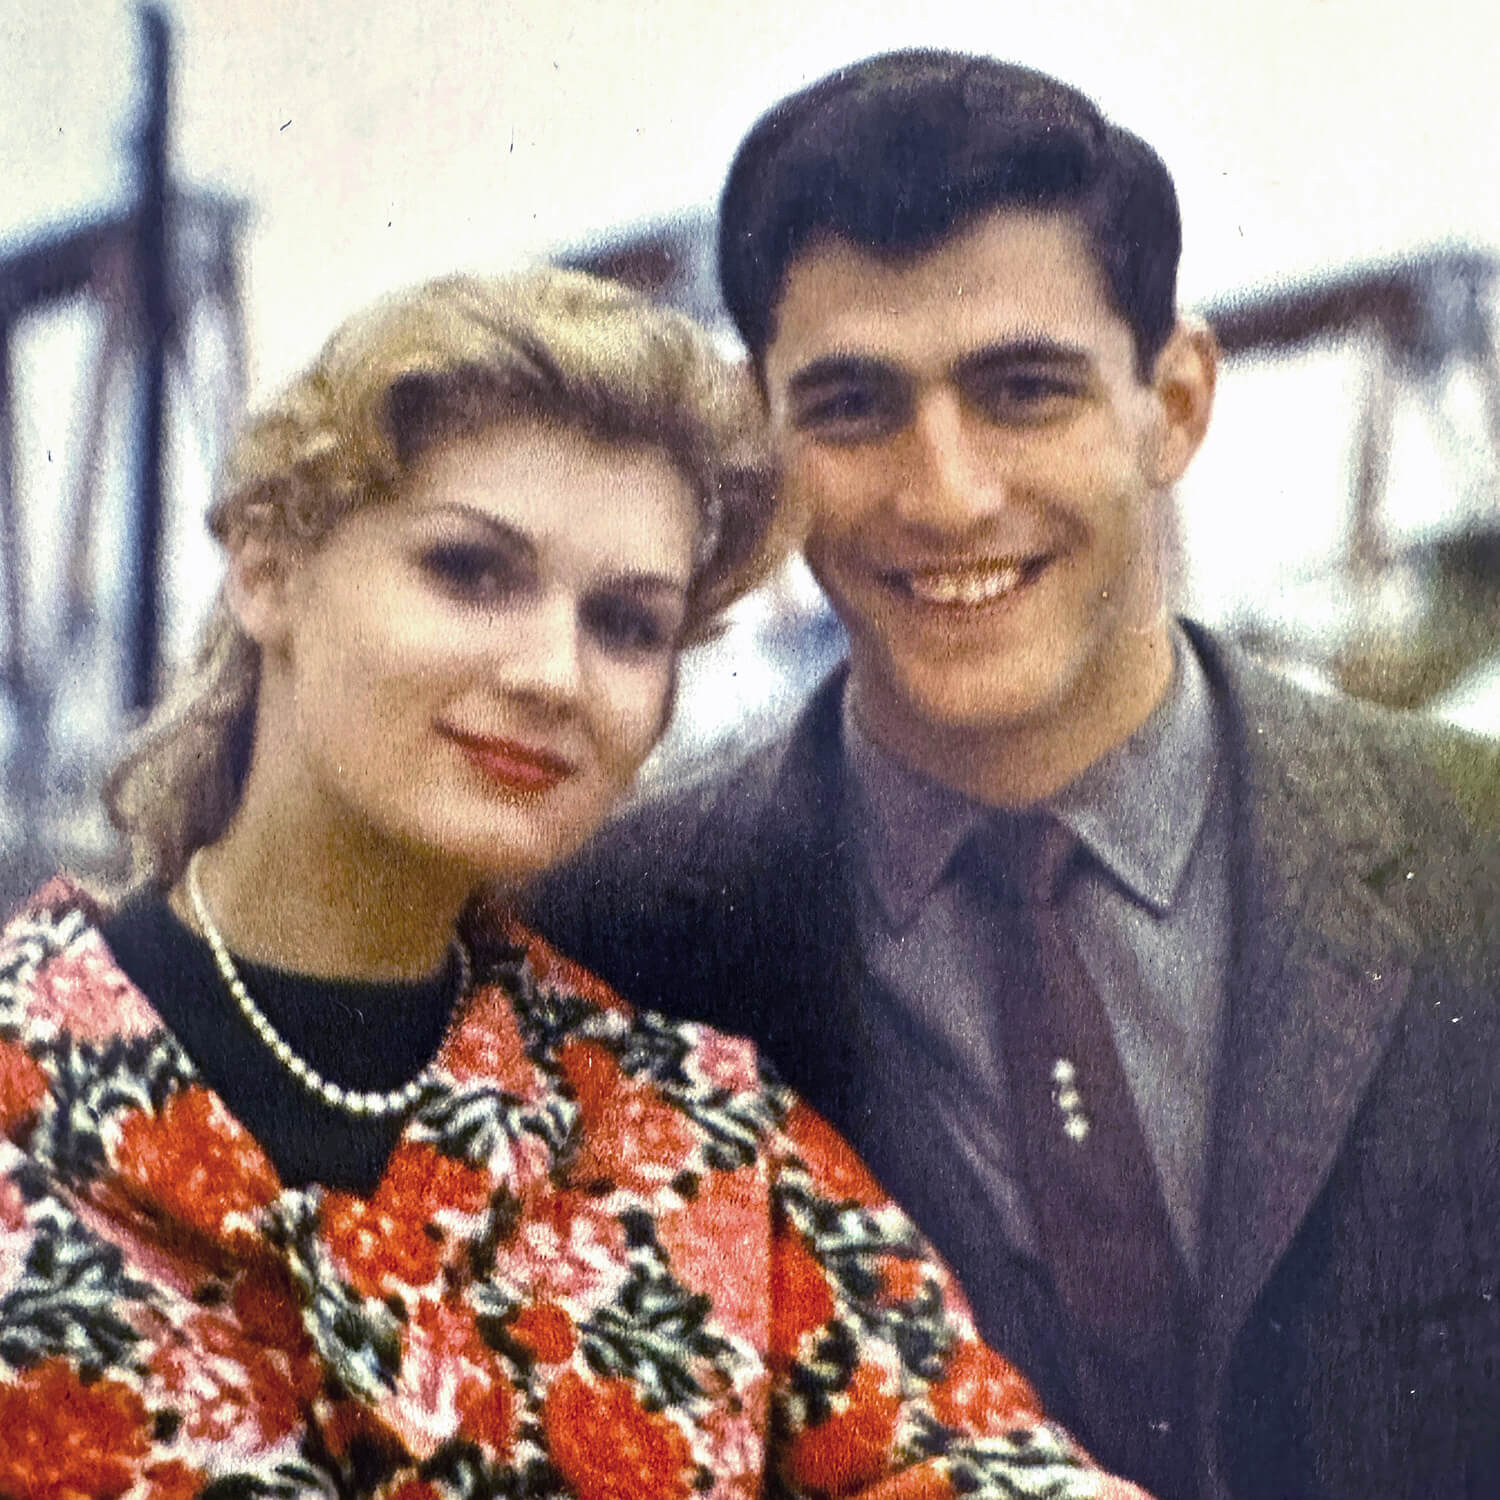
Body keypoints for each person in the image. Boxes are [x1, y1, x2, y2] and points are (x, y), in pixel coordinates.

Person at [0, 268, 1157, 1500]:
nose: (554, 673)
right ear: (270, 568)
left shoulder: (704, 1148)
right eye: (470, 571)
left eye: (625, 623)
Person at [531, 51, 1500, 1500]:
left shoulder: (1475, 856)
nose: (948, 492)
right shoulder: (602, 951)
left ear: (1173, 402)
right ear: (759, 433)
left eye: (1023, 392)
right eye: (855, 407)